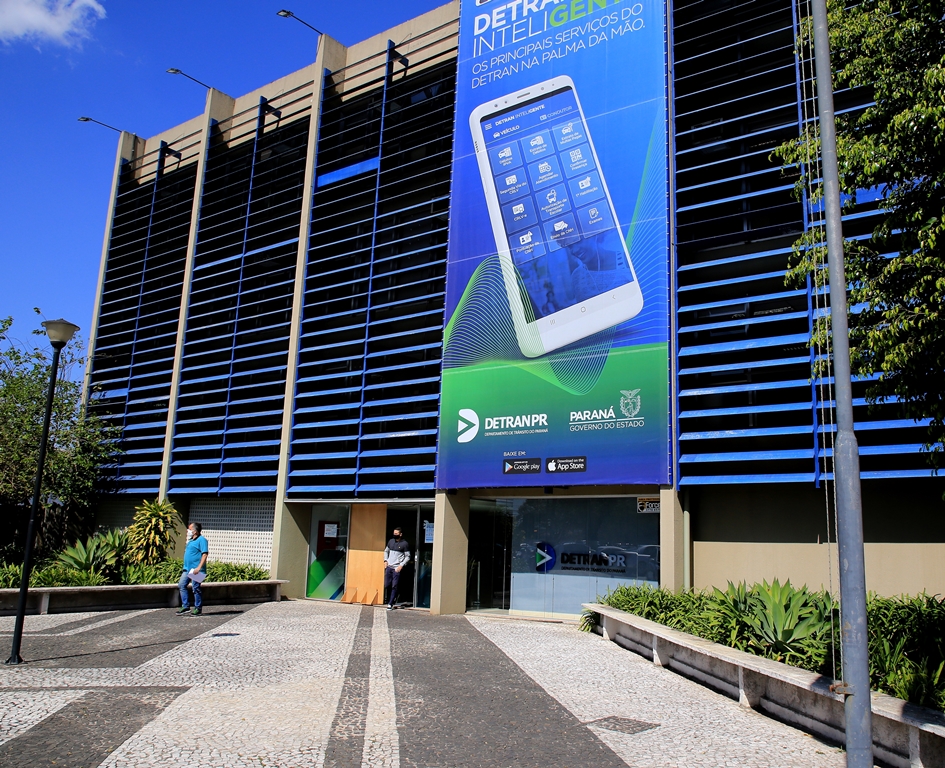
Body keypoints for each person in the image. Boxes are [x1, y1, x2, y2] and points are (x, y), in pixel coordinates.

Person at [177, 522, 208, 616]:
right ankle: (185, 606)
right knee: (181, 585)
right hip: (187, 569)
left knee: (196, 588)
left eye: (190, 529)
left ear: (195, 531)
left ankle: (198, 608)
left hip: (196, 570)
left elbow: (205, 554)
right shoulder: (191, 540)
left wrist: (199, 567)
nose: (188, 531)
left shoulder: (202, 540)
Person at [383, 527, 411, 610]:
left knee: (394, 585)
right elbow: (386, 551)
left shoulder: (404, 544)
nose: (394, 535)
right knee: (387, 584)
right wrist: (385, 560)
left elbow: (407, 556)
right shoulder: (391, 541)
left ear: (400, 534)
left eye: (396, 534)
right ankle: (391, 598)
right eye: (394, 533)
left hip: (396, 568)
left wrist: (401, 565)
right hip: (389, 567)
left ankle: (390, 603)